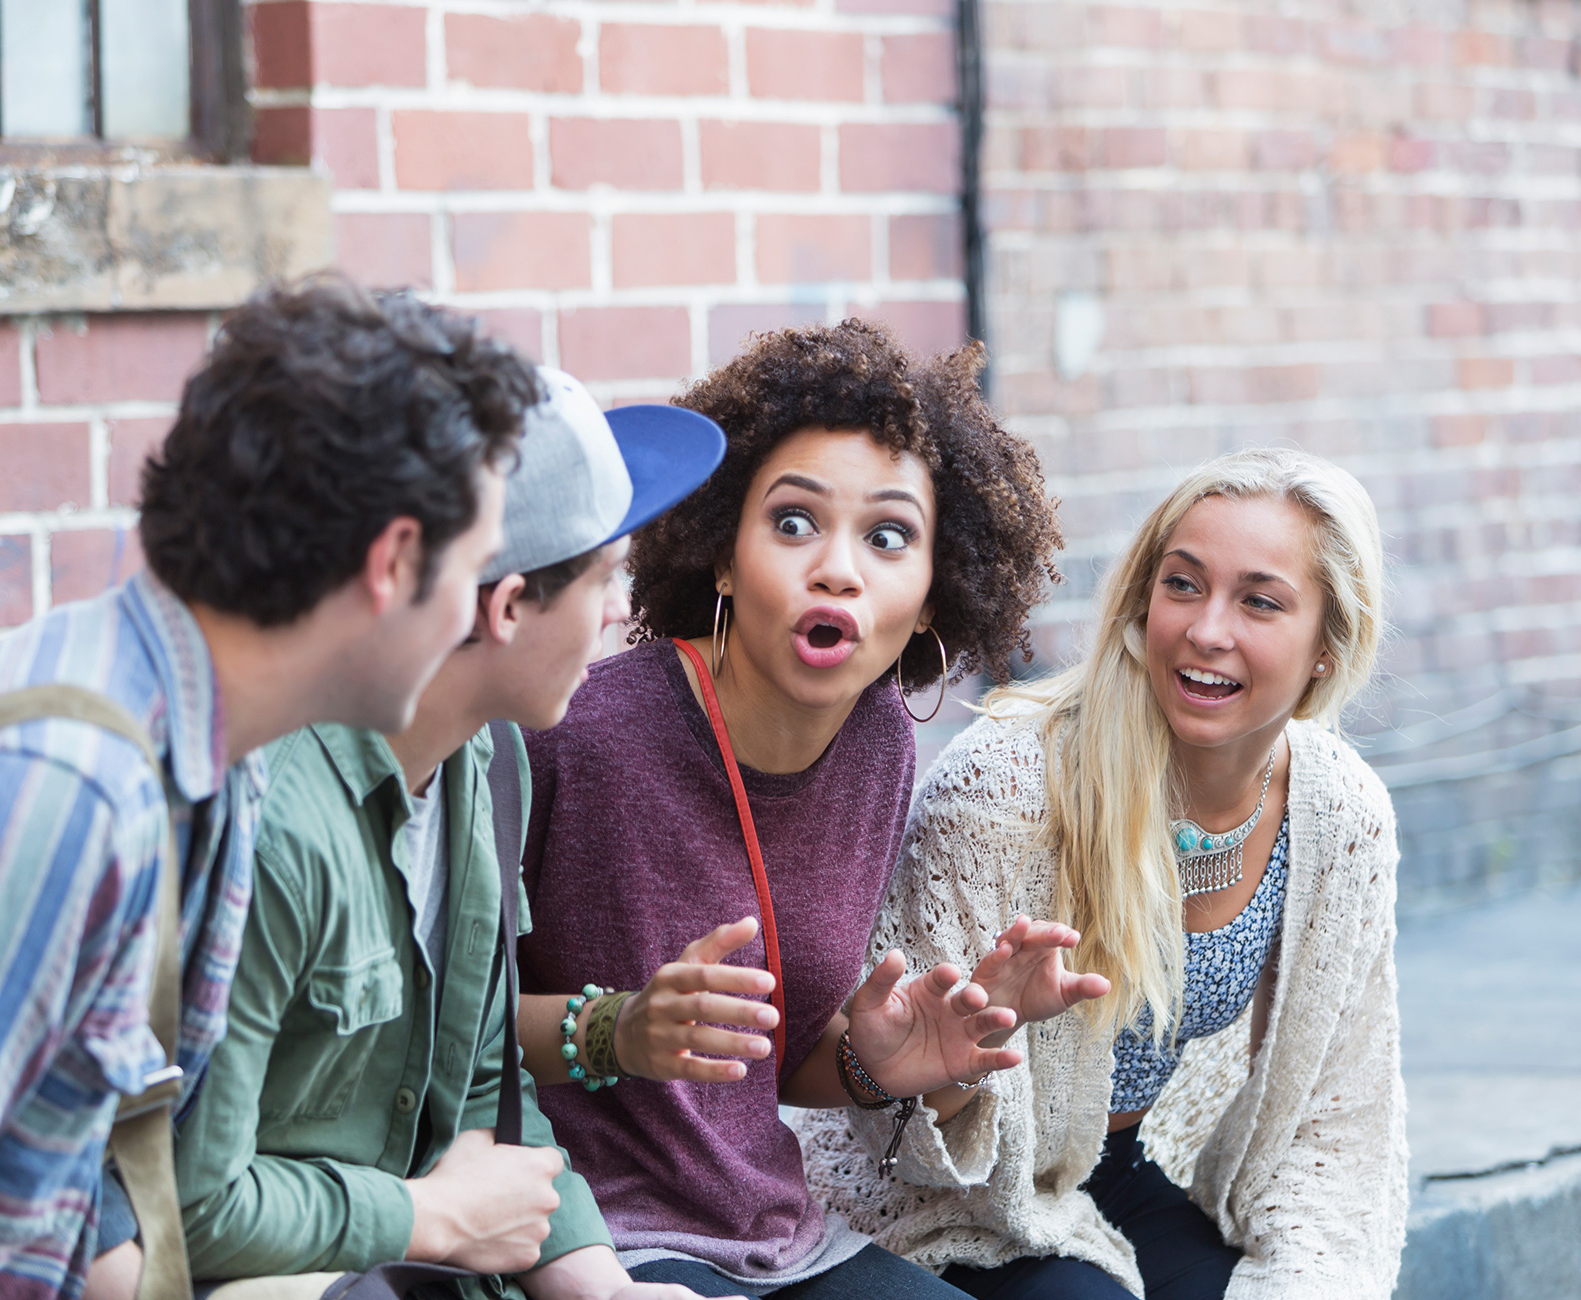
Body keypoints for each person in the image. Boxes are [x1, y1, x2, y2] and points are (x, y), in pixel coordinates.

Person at [0, 277, 536, 1300]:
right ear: (392, 562)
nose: (475, 620)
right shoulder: (56, 795)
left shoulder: (207, 745)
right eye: (474, 570)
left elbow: (81, 1156)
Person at [515, 321, 1092, 1300]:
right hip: (590, 1247)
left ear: (926, 596)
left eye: (886, 535)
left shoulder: (875, 748)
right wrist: (610, 1028)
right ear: (723, 559)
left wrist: (875, 1063)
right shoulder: (576, 737)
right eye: (792, 522)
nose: (836, 566)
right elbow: (443, 1032)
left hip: (781, 1241)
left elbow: (759, 1064)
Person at [166, 369, 727, 1300]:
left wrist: (603, 1288)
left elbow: (479, 1085)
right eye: (606, 578)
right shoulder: (274, 829)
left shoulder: (490, 762)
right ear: (504, 608)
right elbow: (192, 1206)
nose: (624, 612)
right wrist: (429, 1216)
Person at [801, 447, 1406, 1299]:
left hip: (1117, 1174)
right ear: (1140, 599)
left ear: (1327, 647)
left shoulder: (1338, 813)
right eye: (1183, 584)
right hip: (941, 1196)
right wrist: (971, 1053)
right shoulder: (1006, 787)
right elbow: (890, 1120)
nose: (1206, 630)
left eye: (1260, 601)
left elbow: (1331, 1119)